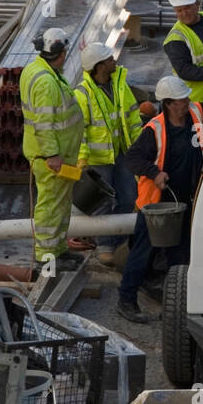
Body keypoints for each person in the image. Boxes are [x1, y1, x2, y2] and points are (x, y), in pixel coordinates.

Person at [116, 75, 203, 323]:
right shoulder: (154, 130)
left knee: (181, 254)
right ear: (167, 104)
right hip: (156, 203)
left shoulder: (197, 112)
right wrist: (155, 173)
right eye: (180, 100)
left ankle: (176, 305)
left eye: (186, 98)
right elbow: (133, 159)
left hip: (185, 200)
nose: (186, 103)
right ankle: (126, 300)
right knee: (143, 252)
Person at [73, 43, 147, 267]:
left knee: (128, 198)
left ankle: (119, 242)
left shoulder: (120, 85)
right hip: (97, 159)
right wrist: (82, 159)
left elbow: (133, 119)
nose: (115, 61)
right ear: (99, 66)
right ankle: (105, 244)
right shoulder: (82, 94)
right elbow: (79, 131)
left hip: (122, 153)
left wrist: (142, 147)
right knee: (104, 203)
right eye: (110, 59)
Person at [20, 28, 85, 272]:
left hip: (58, 155)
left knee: (60, 204)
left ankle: (58, 250)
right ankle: (45, 257)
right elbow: (44, 123)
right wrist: (53, 156)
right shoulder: (46, 82)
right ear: (60, 53)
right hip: (50, 157)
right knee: (49, 207)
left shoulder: (38, 70)